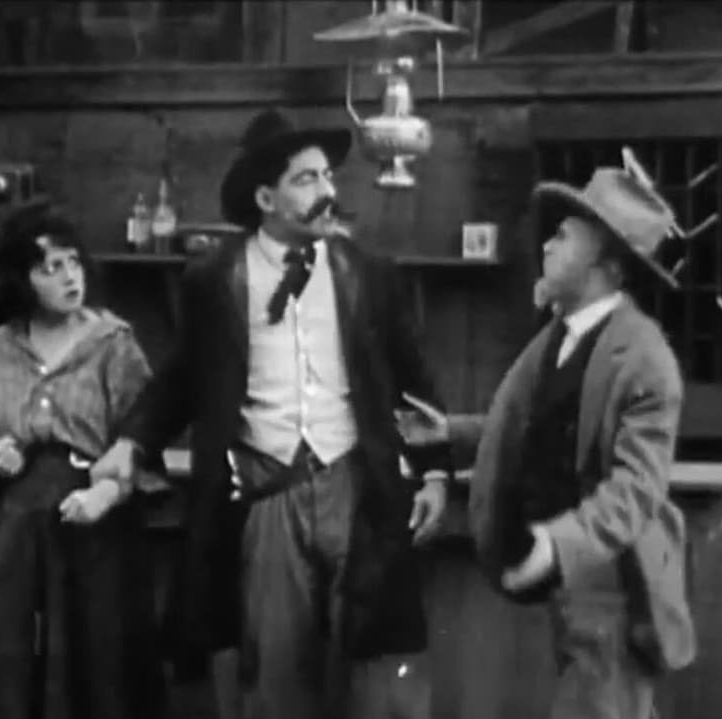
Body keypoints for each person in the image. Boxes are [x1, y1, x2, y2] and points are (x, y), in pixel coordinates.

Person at [91, 108, 452, 719]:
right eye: (306, 179)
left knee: (371, 673)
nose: (327, 191)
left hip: (354, 487)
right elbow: (182, 379)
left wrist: (437, 471)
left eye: (328, 177)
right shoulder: (215, 280)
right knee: (273, 674)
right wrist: (132, 443)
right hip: (264, 491)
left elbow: (413, 378)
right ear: (266, 198)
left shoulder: (367, 275)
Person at [451, 168, 696, 719]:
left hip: (616, 585)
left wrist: (554, 546)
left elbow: (637, 490)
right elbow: (527, 426)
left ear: (607, 266)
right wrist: (445, 435)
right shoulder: (560, 336)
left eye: (564, 236)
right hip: (568, 590)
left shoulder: (645, 358)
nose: (547, 245)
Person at [0, 206, 166, 719]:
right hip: (22, 521)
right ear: (22, 279)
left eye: (73, 262)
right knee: (15, 661)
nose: (68, 277)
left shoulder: (114, 344)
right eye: (49, 268)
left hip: (96, 521)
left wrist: (107, 492)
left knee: (98, 665)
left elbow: (146, 441)